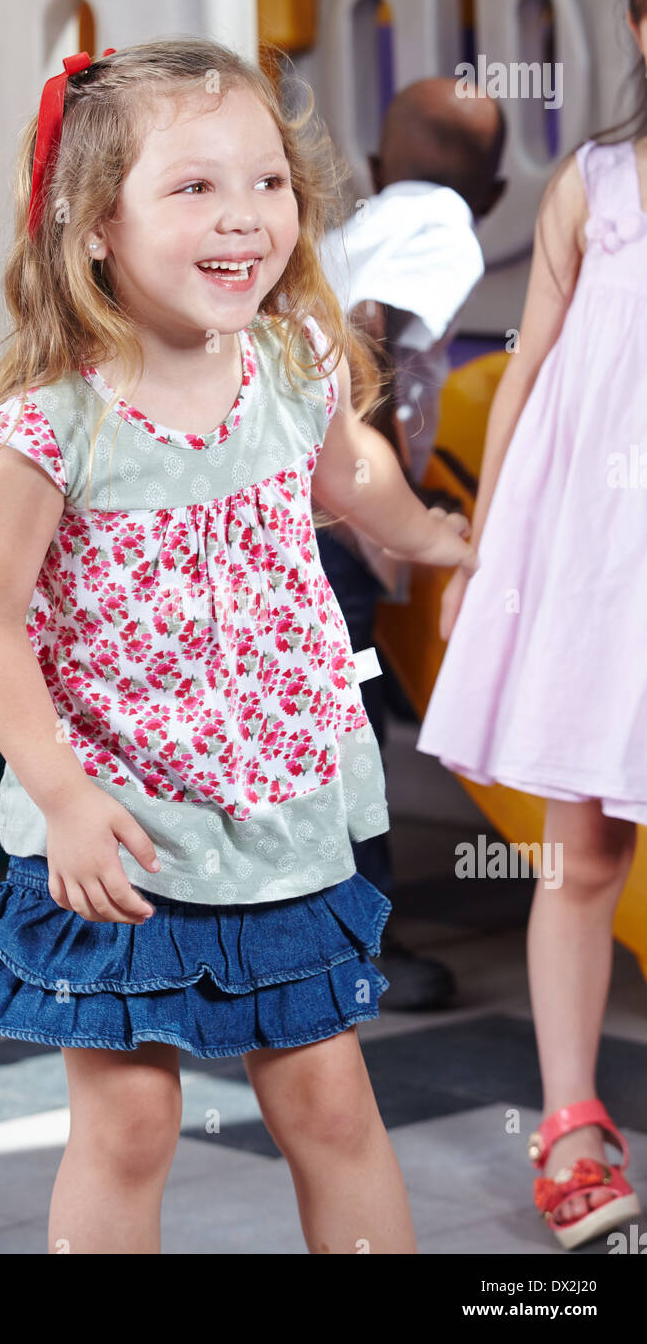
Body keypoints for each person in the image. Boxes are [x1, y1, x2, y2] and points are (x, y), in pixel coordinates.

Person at [0, 37, 475, 1256]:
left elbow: (351, 478)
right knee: (128, 1127)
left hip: (277, 811)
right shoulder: (51, 427)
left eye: (268, 182)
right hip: (118, 826)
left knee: (331, 1104)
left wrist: (437, 536)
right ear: (94, 224)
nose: (246, 218)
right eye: (193, 187)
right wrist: (60, 796)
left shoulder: (289, 367)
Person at [416, 0, 647, 1250]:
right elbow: (524, 376)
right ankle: (568, 1123)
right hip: (601, 566)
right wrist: (481, 552)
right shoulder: (593, 187)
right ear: (634, 20)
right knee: (582, 854)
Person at [315, 79, 507, 1009]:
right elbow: (369, 335)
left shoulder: (354, 228)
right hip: (335, 530)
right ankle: (359, 945)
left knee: (335, 719)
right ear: (499, 195)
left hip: (298, 518)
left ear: (378, 168)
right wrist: (391, 498)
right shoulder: (441, 222)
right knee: (346, 735)